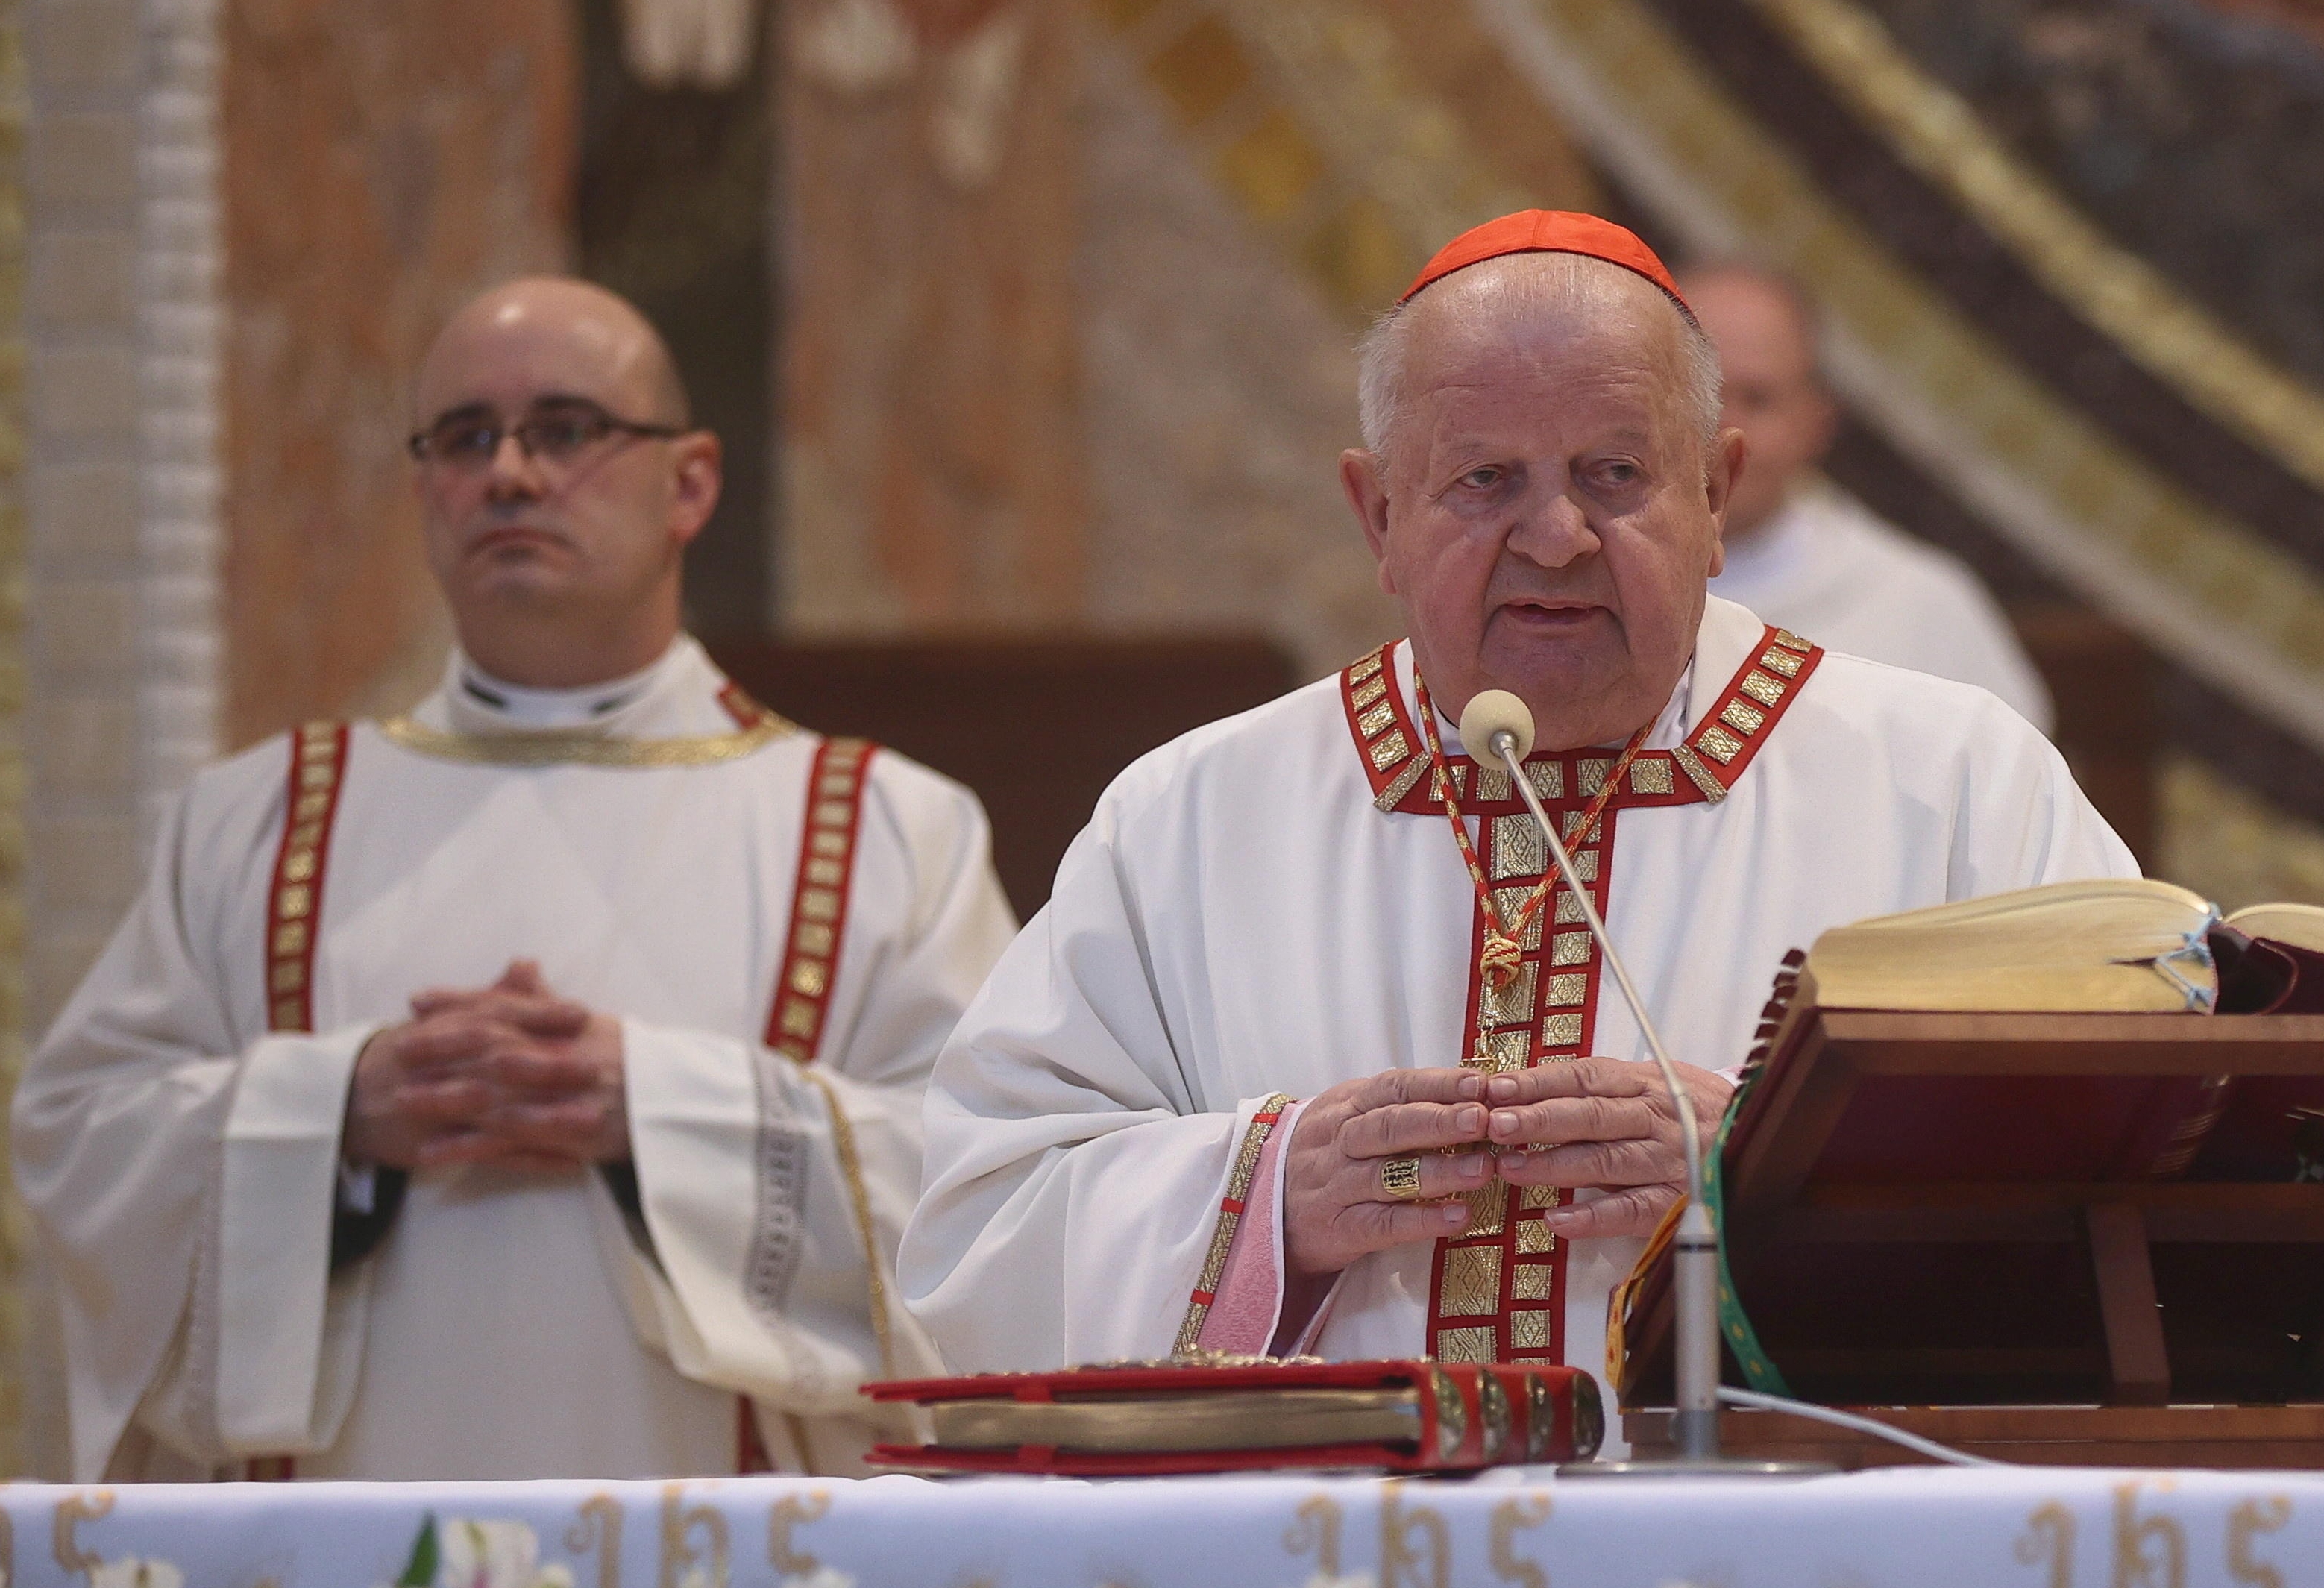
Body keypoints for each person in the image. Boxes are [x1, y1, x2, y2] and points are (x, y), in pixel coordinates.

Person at [902, 213, 2130, 1390]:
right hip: (1326, 1582)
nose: (1554, 536)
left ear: (1713, 495)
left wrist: (1781, 1178)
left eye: (1613, 473)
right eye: (1484, 479)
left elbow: (2137, 1184)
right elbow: (974, 1224)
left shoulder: (1952, 782)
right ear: (1377, 515)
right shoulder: (1188, 818)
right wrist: (1269, 1193)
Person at [15, 278, 1016, 1480]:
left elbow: (985, 1199)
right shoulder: (255, 827)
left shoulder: (885, 828)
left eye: (565, 430)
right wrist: (336, 1112)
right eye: (462, 438)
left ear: (689, 482)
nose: (509, 475)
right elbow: (83, 1145)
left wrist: (653, 1108)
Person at [1678, 261, 2055, 730]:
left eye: (1758, 398)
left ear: (1817, 422)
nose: (1724, 430)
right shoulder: (1582, 594)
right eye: (1699, 396)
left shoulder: (1924, 607)